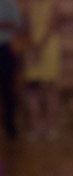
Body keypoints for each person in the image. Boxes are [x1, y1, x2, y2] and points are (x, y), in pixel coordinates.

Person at [23, 0, 61, 138]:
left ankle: (52, 127)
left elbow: (52, 25)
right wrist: (33, 46)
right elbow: (26, 26)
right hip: (33, 47)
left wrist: (39, 47)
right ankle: (36, 127)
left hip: (48, 47)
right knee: (32, 88)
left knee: (50, 88)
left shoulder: (53, 3)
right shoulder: (29, 4)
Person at [0, 0, 23, 139]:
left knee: (8, 89)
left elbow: (17, 24)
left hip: (5, 48)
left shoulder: (10, 4)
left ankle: (10, 126)